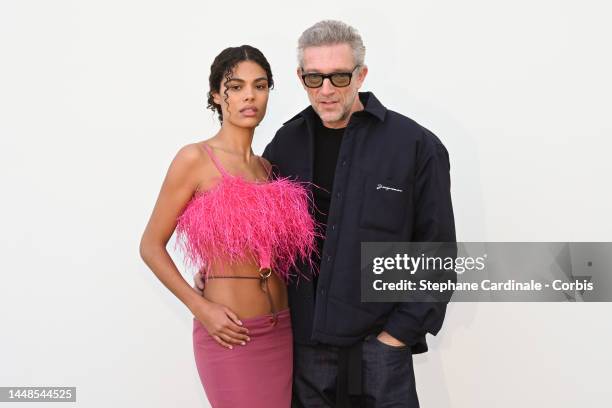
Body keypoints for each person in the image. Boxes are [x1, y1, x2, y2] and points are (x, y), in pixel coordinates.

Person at [262, 20, 456, 407]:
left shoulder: (415, 145)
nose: (327, 90)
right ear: (301, 77)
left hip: (380, 350)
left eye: (339, 76)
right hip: (307, 353)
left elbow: (437, 253)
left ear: (361, 74)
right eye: (315, 78)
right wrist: (219, 270)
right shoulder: (285, 143)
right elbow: (262, 231)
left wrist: (397, 335)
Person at [139, 45, 317, 408]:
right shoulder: (195, 159)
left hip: (280, 328)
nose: (249, 95)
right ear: (217, 96)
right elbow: (150, 246)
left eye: (260, 85)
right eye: (235, 86)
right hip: (229, 333)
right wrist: (200, 308)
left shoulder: (267, 168)